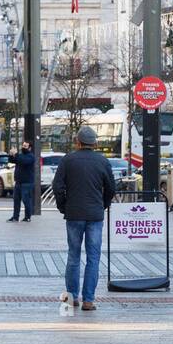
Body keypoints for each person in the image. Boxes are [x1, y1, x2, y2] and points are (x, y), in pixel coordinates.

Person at [52, 126, 116, 311]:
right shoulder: (103, 161)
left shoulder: (68, 160)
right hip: (95, 215)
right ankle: (88, 300)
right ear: (95, 143)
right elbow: (111, 188)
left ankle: (72, 298)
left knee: (73, 256)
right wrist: (102, 205)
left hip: (73, 214)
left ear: (77, 142)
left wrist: (63, 206)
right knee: (93, 257)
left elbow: (58, 187)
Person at [8, 140, 36, 222]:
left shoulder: (30, 157)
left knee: (26, 200)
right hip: (18, 182)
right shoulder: (20, 156)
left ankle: (27, 217)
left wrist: (16, 154)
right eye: (23, 145)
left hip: (27, 183)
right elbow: (12, 160)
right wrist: (11, 154)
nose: (23, 147)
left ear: (30, 148)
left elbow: (23, 161)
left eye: (25, 146)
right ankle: (15, 217)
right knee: (16, 200)